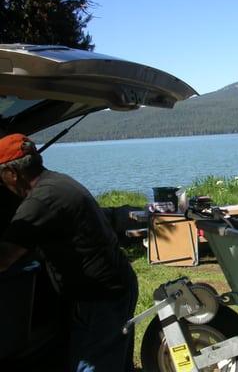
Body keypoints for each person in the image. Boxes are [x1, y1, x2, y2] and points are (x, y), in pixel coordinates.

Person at [0, 133, 138, 372]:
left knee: (93, 364)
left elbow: (3, 258)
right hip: (111, 286)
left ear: (12, 173)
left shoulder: (42, 200)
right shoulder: (56, 183)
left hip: (101, 296)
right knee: (111, 361)